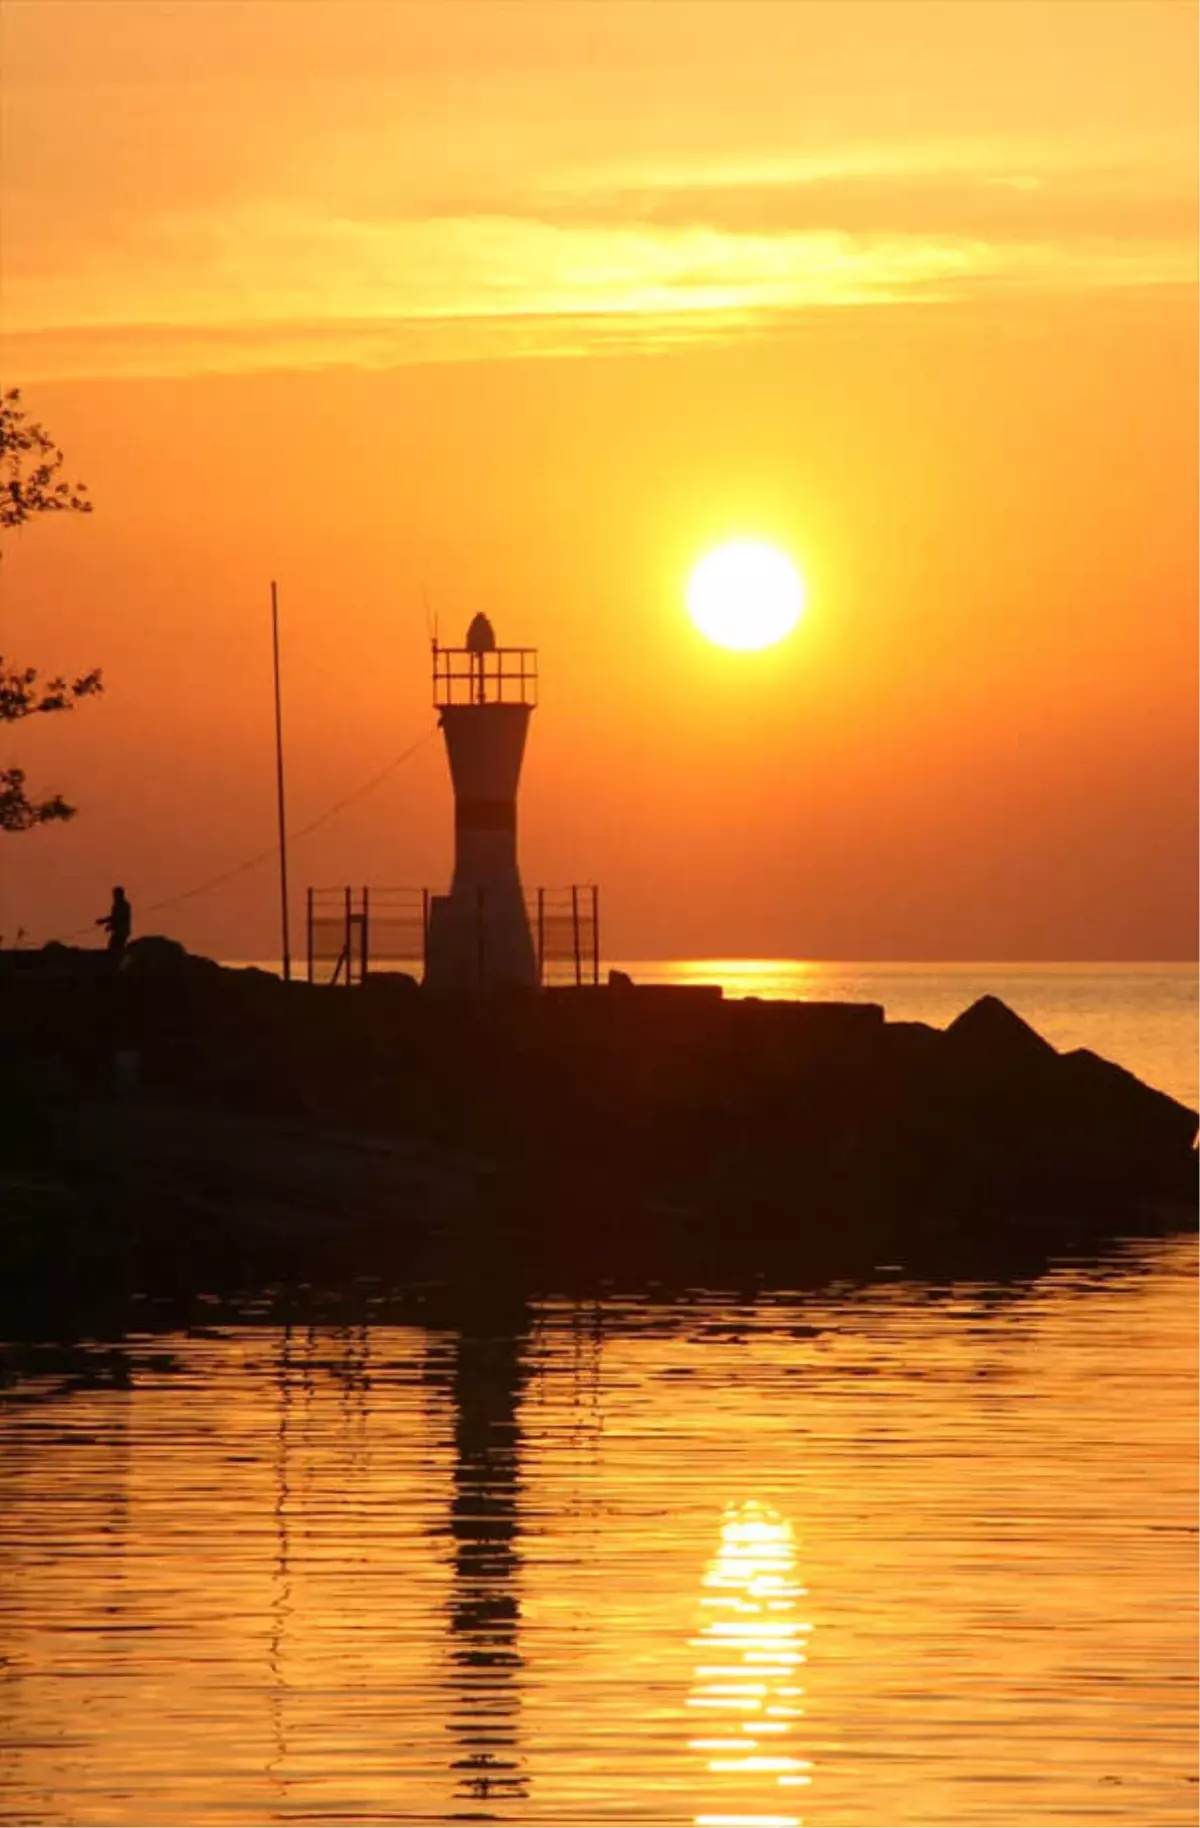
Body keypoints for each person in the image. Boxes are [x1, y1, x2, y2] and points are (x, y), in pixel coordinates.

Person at [96, 885, 132, 960]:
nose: (114, 896)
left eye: (115, 895)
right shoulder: (118, 905)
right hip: (119, 931)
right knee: (115, 946)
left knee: (115, 947)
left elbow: (117, 918)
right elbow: (115, 918)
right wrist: (109, 925)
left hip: (121, 931)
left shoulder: (122, 905)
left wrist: (104, 922)